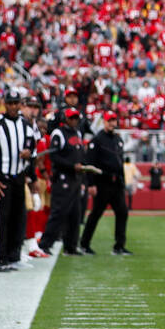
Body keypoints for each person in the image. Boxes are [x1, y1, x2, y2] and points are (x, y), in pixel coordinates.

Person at [0, 90, 37, 272]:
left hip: (19, 177)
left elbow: (33, 149)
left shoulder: (26, 125)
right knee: (1, 219)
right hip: (1, 178)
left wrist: (29, 156)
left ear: (21, 104)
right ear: (5, 103)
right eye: (10, 103)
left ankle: (14, 255)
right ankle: (0, 258)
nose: (13, 106)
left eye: (16, 103)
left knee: (18, 218)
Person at [79, 112, 132, 255]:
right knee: (96, 213)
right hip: (102, 182)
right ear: (104, 122)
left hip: (116, 184)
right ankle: (84, 244)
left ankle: (119, 246)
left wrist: (123, 182)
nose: (112, 123)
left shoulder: (117, 139)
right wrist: (91, 184)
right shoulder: (97, 140)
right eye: (109, 121)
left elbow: (120, 163)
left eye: (114, 120)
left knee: (122, 212)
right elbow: (90, 163)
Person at [42, 107, 87, 256]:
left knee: (75, 214)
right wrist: (71, 166)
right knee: (58, 212)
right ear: (65, 119)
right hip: (62, 178)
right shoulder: (58, 134)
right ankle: (45, 244)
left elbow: (80, 154)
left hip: (75, 178)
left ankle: (71, 246)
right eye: (71, 118)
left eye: (76, 118)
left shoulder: (78, 133)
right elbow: (54, 157)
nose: (74, 120)